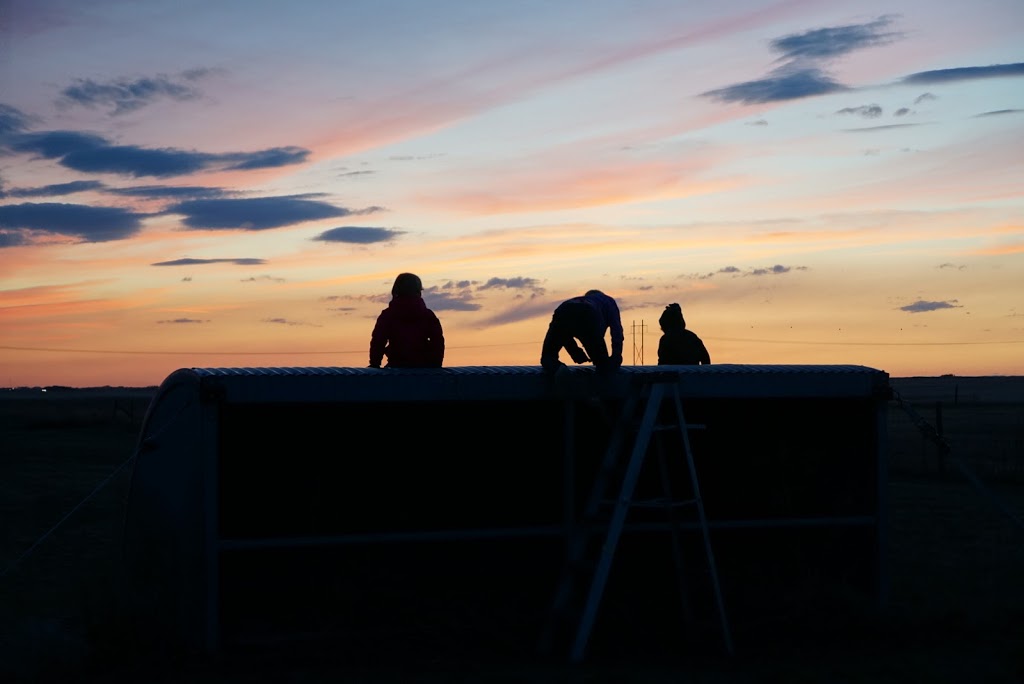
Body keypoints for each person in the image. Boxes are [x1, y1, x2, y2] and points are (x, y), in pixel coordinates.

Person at [369, 273, 445, 368]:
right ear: (418, 291)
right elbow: (437, 341)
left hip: (396, 365)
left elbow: (378, 341)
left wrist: (374, 364)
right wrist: (436, 365)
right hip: (424, 367)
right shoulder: (428, 315)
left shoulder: (388, 315)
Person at [540, 289, 624, 373]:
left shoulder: (578, 300)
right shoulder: (608, 301)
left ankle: (559, 371)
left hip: (563, 309)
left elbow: (563, 333)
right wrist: (616, 357)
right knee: (603, 365)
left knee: (548, 359)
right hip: (588, 313)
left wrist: (575, 352)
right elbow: (617, 332)